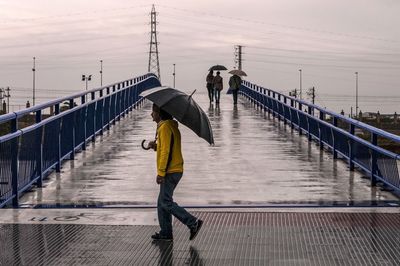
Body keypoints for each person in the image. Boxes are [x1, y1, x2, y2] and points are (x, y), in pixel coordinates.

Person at [148, 104, 203, 242]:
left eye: (153, 112)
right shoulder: (170, 126)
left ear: (159, 113)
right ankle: (166, 233)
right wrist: (156, 146)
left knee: (165, 202)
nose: (151, 115)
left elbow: (166, 152)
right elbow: (167, 147)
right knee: (162, 202)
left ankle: (192, 222)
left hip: (170, 170)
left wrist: (161, 173)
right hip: (175, 168)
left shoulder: (165, 127)